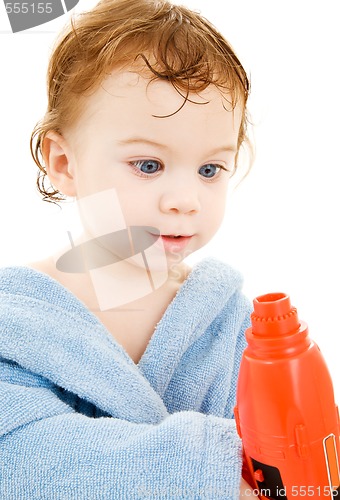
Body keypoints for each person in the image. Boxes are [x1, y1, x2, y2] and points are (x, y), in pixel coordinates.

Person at [0, 0, 257, 497]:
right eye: (148, 165)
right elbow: (17, 456)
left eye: (210, 170)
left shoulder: (230, 324)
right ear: (64, 163)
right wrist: (211, 474)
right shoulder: (17, 322)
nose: (185, 201)